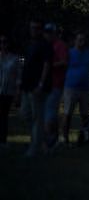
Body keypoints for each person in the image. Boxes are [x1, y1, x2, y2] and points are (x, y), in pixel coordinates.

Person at [20, 20, 53, 157]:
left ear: (41, 30)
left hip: (38, 87)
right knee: (25, 114)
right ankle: (45, 139)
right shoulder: (30, 45)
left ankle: (34, 148)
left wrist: (41, 84)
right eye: (31, 28)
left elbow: (47, 65)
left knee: (37, 118)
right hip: (27, 86)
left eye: (36, 28)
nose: (33, 30)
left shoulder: (44, 45)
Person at [62, 32, 89, 145]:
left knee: (85, 115)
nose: (82, 42)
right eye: (79, 39)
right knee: (68, 114)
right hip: (71, 87)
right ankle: (65, 138)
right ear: (75, 41)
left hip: (86, 88)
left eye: (83, 40)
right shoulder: (69, 53)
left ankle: (84, 137)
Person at [43, 23, 68, 148]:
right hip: (45, 84)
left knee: (50, 112)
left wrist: (48, 65)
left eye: (50, 32)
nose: (47, 35)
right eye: (46, 32)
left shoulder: (60, 46)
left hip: (55, 84)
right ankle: (54, 137)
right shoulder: (46, 46)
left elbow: (64, 62)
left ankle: (49, 141)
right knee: (49, 112)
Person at [0, 35, 20, 149]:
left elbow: (18, 78)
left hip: (7, 92)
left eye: (4, 42)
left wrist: (17, 93)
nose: (2, 45)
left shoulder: (15, 59)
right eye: (1, 42)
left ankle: (3, 140)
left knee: (3, 116)